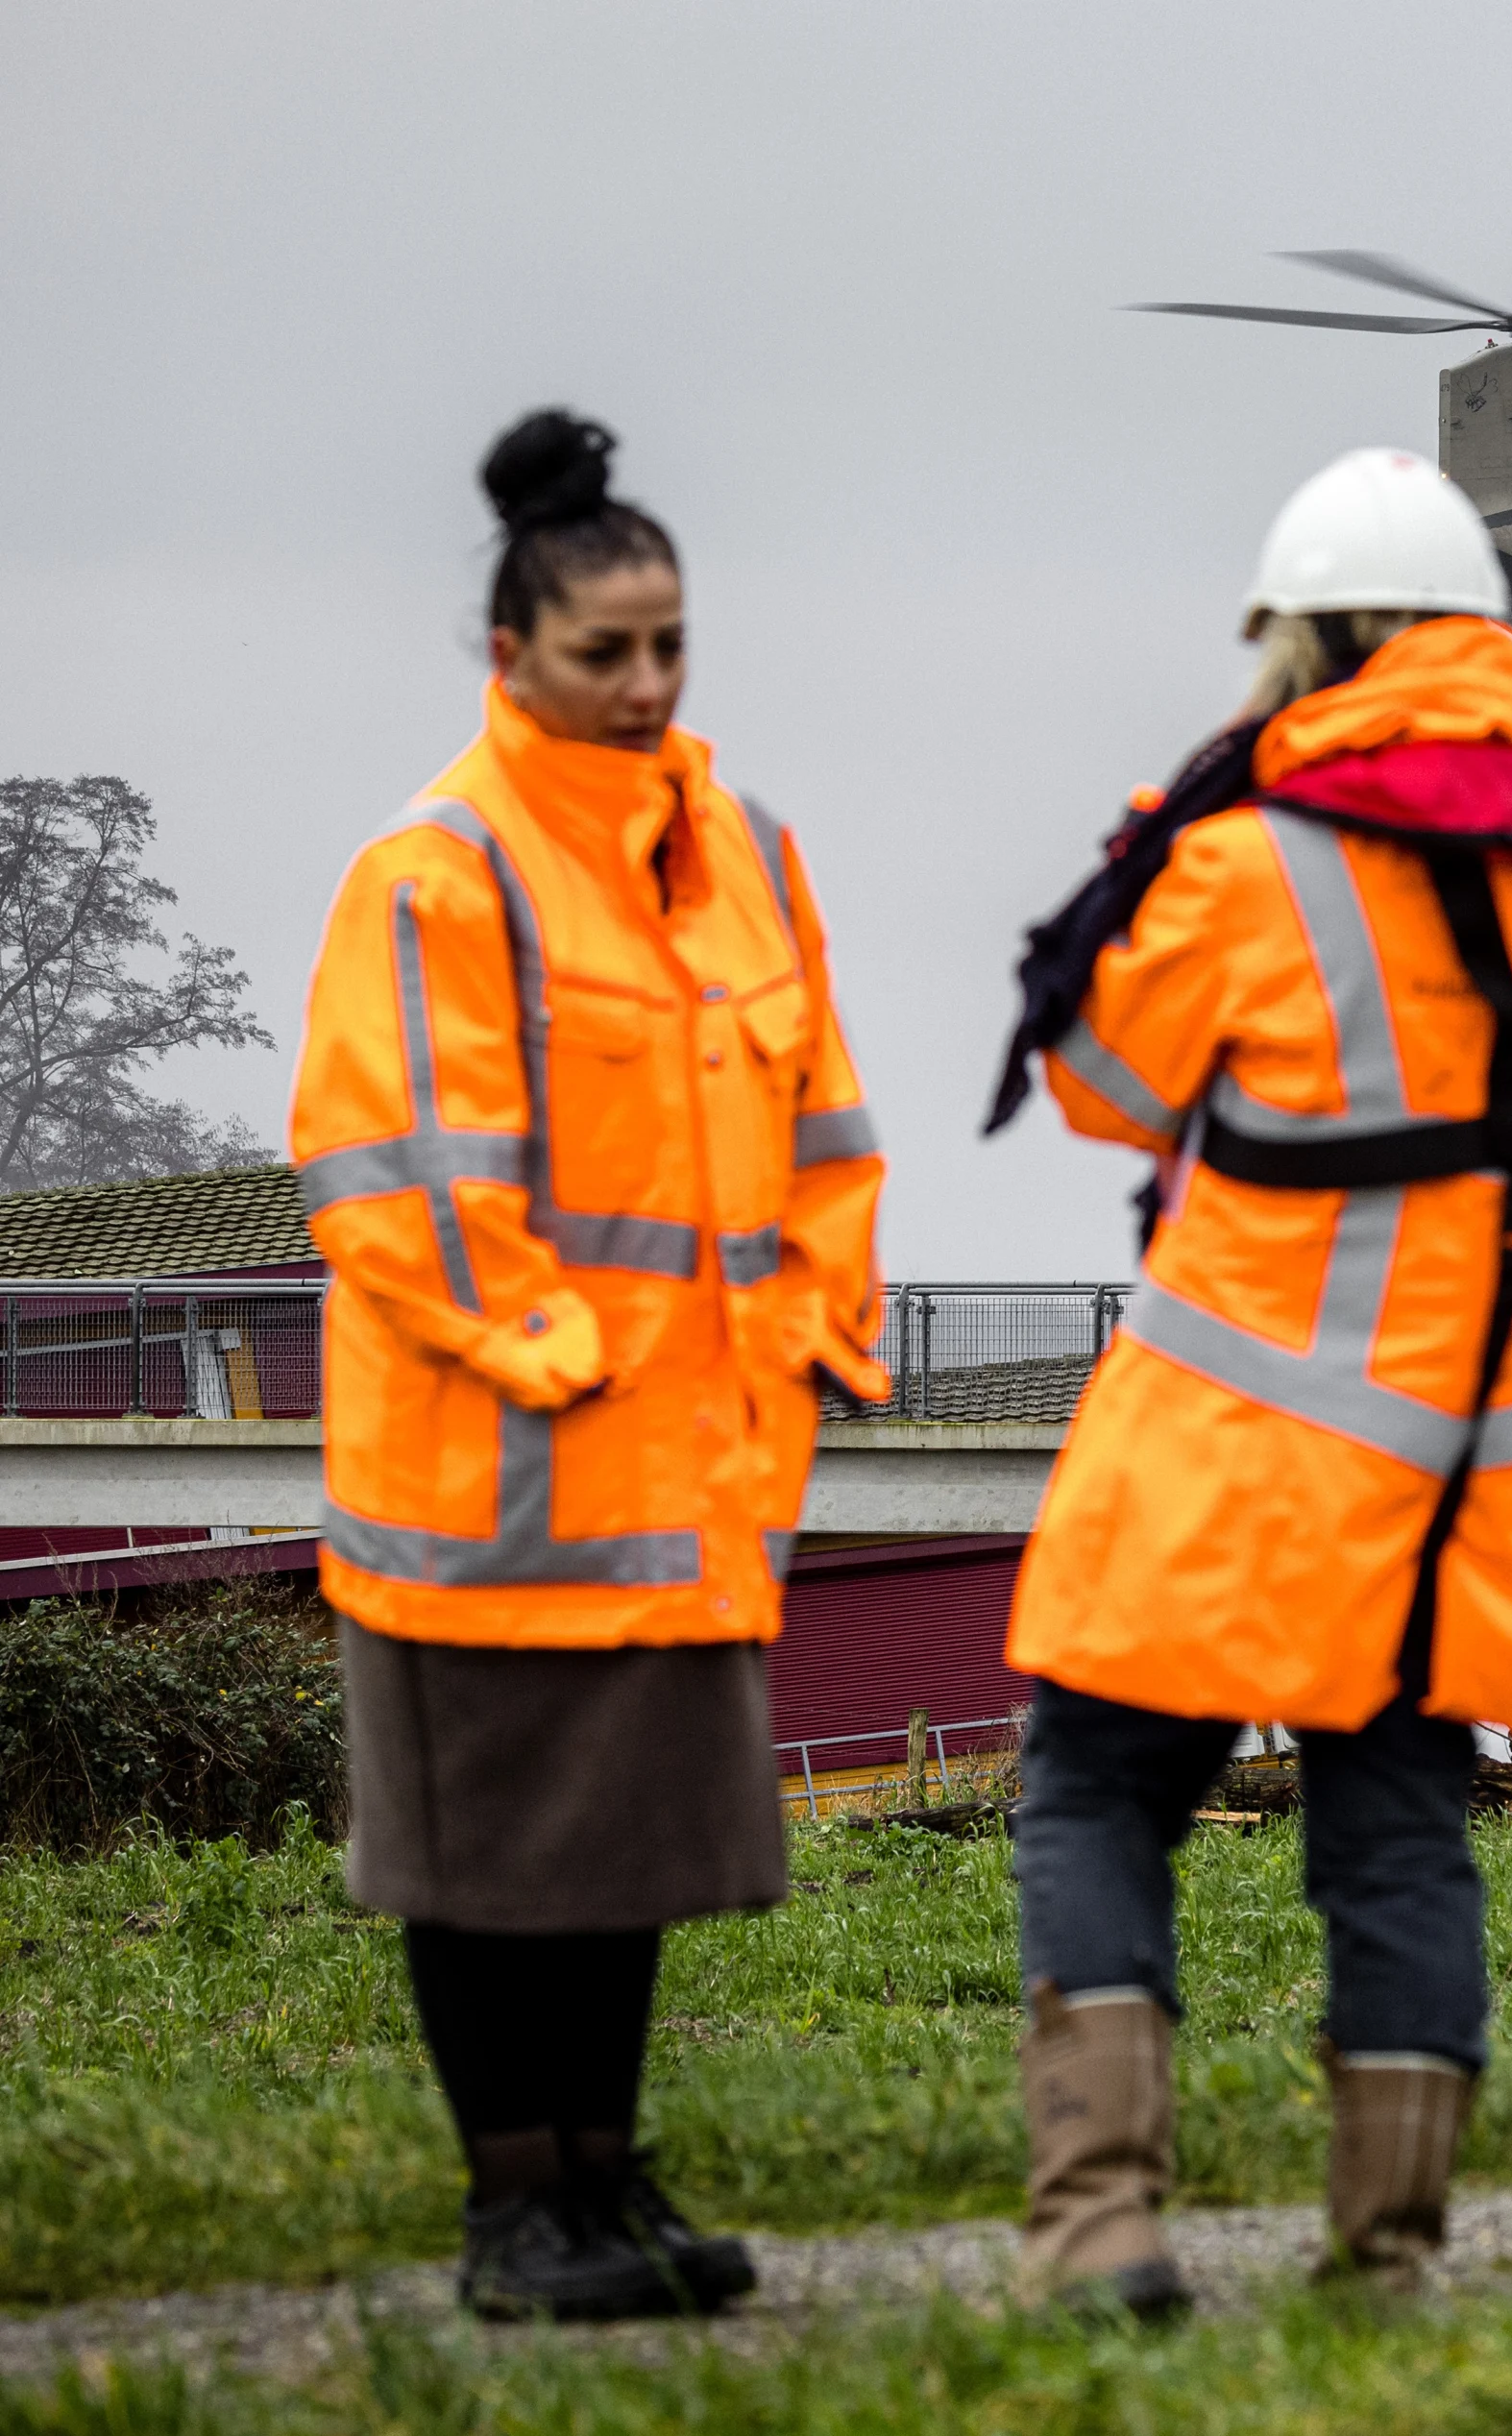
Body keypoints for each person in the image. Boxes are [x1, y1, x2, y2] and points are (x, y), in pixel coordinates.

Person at [987, 447, 1512, 2315]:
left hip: (1229, 1449)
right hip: (1459, 1461)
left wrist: (1167, 827)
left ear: (1315, 640)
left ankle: (1100, 2227)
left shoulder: (1244, 856)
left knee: (1094, 1798)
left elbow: (1099, 1082)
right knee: (1401, 1838)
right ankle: (1388, 2258)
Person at [290, 409, 891, 2318]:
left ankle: (606, 2185)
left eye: (670, 645)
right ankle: (515, 2212)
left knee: (629, 1857)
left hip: (686, 1476)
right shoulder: (441, 870)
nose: (646, 684)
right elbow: (399, 1174)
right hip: (493, 1471)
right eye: (604, 651)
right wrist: (558, 1353)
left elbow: (827, 1137)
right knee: (487, 1865)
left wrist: (820, 1325)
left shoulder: (748, 855)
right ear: (511, 653)